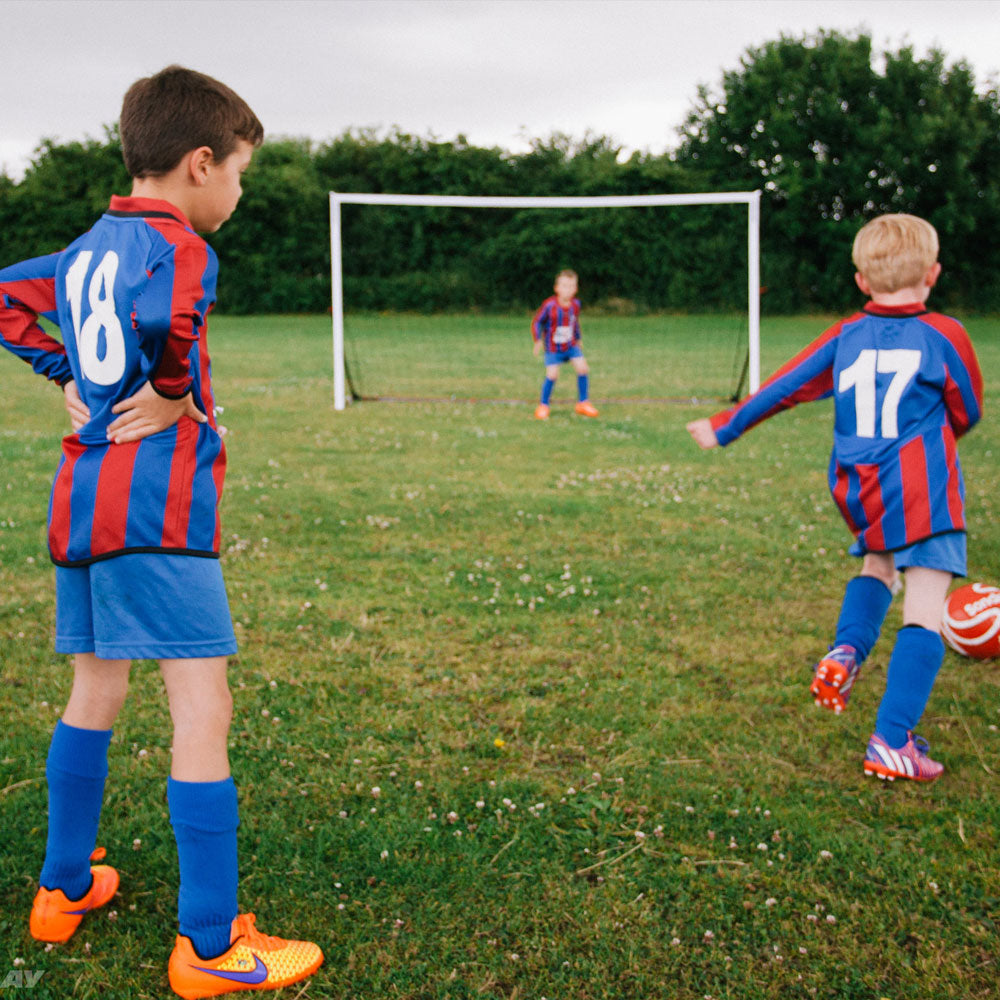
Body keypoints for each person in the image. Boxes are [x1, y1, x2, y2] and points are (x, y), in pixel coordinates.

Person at [0, 66, 323, 997]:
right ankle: (212, 947)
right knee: (201, 708)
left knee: (94, 692)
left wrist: (59, 365)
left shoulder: (83, 249)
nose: (239, 191)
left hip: (83, 501)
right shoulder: (179, 245)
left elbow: (5, 297)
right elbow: (179, 309)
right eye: (241, 173)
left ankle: (61, 892)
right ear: (199, 162)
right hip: (157, 510)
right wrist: (176, 391)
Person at [687, 214, 983, 783]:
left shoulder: (845, 334)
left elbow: (783, 385)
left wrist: (726, 425)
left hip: (859, 486)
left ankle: (847, 651)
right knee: (924, 611)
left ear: (861, 282)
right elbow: (966, 406)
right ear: (933, 273)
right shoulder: (946, 333)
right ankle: (893, 742)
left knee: (879, 564)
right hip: (923, 486)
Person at [531, 269, 599, 419]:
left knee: (583, 368)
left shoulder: (575, 305)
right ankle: (543, 405)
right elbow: (537, 322)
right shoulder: (549, 306)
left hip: (571, 347)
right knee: (552, 374)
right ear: (557, 288)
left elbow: (574, 323)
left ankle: (583, 403)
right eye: (564, 286)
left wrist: (578, 338)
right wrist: (538, 340)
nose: (567, 290)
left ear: (575, 289)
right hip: (554, 349)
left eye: (571, 286)